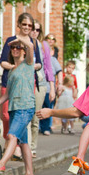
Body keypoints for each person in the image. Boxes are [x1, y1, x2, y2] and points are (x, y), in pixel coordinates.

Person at [0, 36, 37, 175]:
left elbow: (30, 46)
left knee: (11, 136)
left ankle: (2, 164)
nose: (15, 49)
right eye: (13, 48)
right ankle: (29, 173)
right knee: (23, 143)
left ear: (23, 51)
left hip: (25, 107)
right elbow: (8, 93)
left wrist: (18, 39)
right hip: (14, 108)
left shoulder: (28, 64)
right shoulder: (11, 71)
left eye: (18, 48)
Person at [0, 12, 42, 158]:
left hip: (27, 84)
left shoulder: (33, 43)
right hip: (10, 81)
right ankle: (10, 140)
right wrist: (14, 67)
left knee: (24, 115)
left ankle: (15, 146)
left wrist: (27, 66)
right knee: (6, 115)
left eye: (30, 25)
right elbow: (3, 61)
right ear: (19, 24)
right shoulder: (12, 41)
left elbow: (39, 64)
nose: (27, 27)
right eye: (24, 24)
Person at [29, 20, 55, 157]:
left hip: (40, 84)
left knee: (35, 116)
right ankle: (23, 147)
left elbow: (48, 67)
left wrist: (52, 87)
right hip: (26, 83)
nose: (34, 31)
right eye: (33, 28)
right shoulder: (23, 43)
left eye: (38, 30)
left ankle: (32, 147)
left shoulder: (43, 45)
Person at [39, 33, 63, 136]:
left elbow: (59, 71)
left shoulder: (53, 59)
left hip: (49, 87)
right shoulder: (38, 58)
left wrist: (60, 84)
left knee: (48, 107)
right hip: (38, 86)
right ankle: (40, 128)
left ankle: (46, 128)